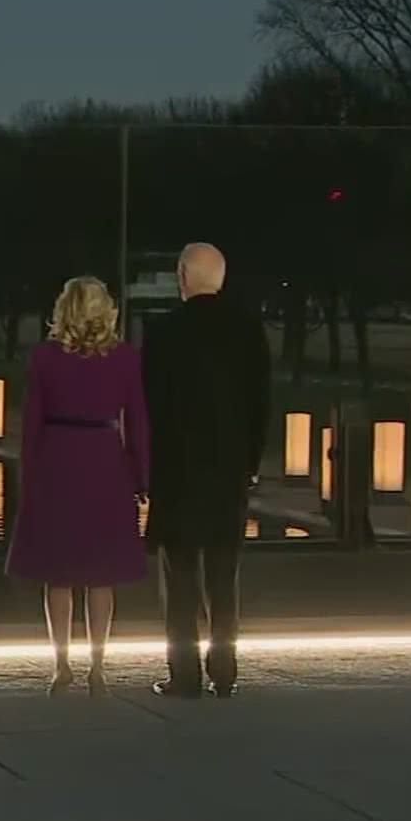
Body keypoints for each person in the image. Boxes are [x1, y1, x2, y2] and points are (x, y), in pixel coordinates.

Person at [6, 276, 150, 697]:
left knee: (59, 575)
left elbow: (31, 424)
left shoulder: (45, 358)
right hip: (106, 461)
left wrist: (28, 475)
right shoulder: (126, 358)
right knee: (101, 575)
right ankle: (99, 666)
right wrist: (143, 477)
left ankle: (61, 665)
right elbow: (138, 423)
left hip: (56, 461)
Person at [142, 243, 271, 699]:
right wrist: (250, 464)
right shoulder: (248, 331)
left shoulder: (162, 333)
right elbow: (260, 406)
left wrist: (147, 471)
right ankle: (225, 669)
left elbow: (152, 408)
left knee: (180, 579)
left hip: (178, 474)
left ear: (182, 276)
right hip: (229, 472)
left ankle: (184, 674)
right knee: (224, 575)